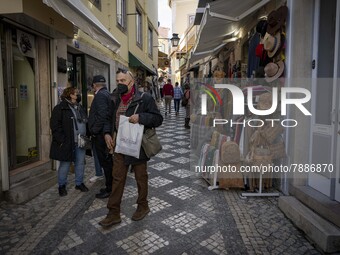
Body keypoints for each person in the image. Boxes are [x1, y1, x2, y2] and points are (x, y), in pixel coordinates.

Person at [99, 68, 163, 227]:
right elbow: (107, 118)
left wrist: (141, 117)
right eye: (118, 81)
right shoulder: (113, 98)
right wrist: (107, 133)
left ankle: (143, 206)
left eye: (123, 81)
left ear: (131, 82)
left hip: (137, 145)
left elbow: (158, 119)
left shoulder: (144, 98)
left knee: (141, 177)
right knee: (117, 178)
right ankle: (113, 213)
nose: (120, 84)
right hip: (119, 146)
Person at [50, 87, 89, 196]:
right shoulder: (60, 108)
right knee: (65, 164)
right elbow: (55, 126)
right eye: (77, 93)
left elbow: (85, 121)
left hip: (81, 142)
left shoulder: (80, 107)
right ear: (70, 95)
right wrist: (62, 140)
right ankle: (61, 186)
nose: (79, 95)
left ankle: (79, 183)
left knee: (80, 163)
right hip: (67, 142)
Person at [88, 75, 114, 199]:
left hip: (100, 135)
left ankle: (110, 188)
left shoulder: (100, 96)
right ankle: (110, 186)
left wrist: (94, 130)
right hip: (104, 133)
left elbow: (103, 116)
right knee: (107, 162)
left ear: (94, 85)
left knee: (106, 162)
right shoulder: (106, 94)